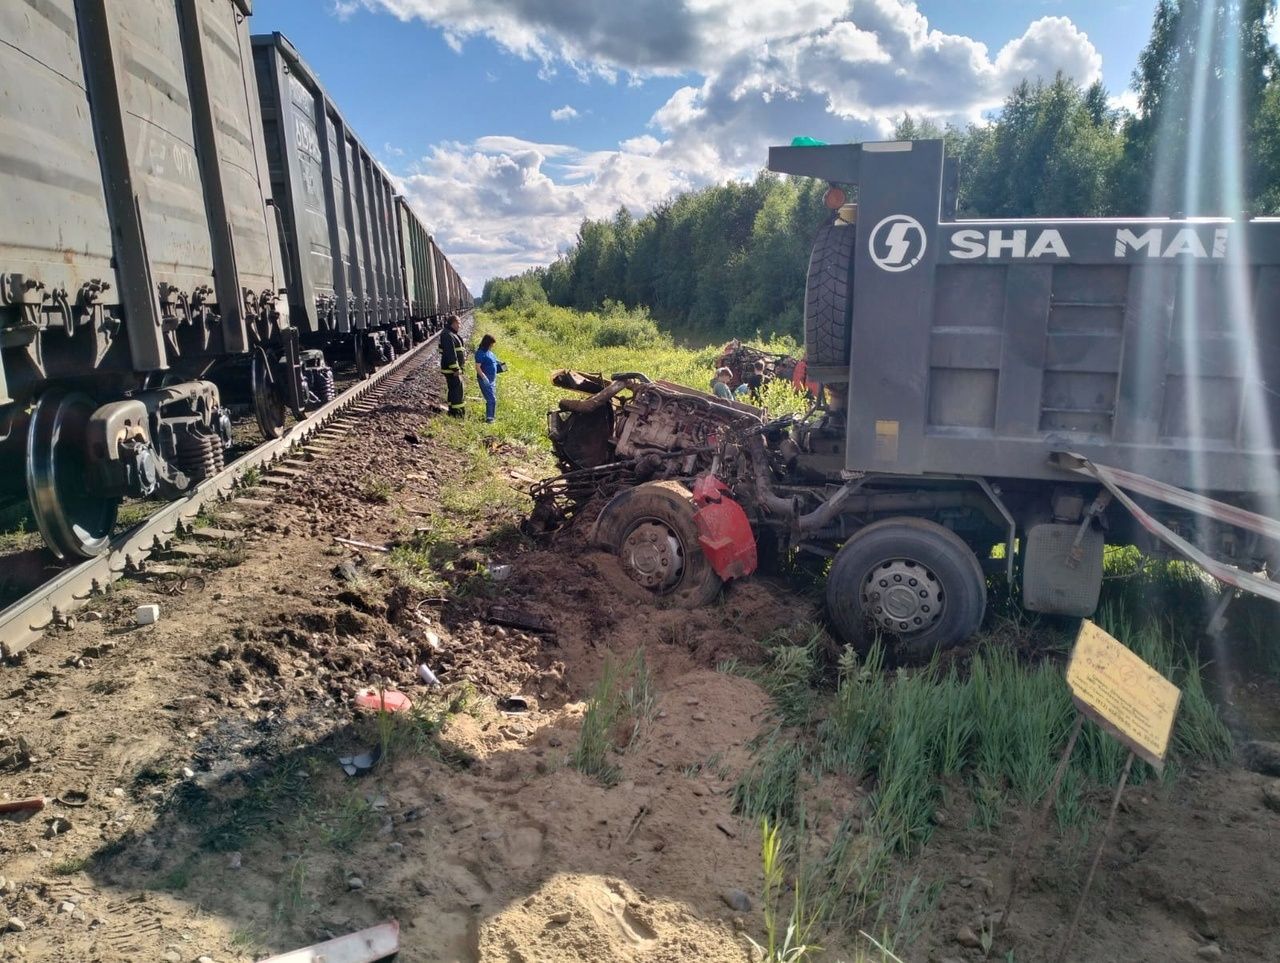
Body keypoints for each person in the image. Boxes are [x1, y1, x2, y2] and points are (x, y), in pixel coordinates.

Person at [474, 333, 506, 424]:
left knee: (492, 398)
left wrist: (501, 364)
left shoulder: (490, 352)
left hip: (492, 379)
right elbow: (477, 367)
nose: (492, 346)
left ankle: (491, 417)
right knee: (491, 399)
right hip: (485, 380)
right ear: (488, 343)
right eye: (492, 344)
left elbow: (494, 360)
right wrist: (484, 377)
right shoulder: (480, 353)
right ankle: (489, 419)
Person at [439, 315, 466, 417]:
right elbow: (450, 353)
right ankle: (457, 413)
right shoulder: (447, 335)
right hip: (452, 370)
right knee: (457, 391)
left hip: (451, 369)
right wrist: (456, 368)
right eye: (458, 323)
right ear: (453, 323)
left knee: (453, 389)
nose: (460, 325)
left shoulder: (450, 333)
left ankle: (452, 410)